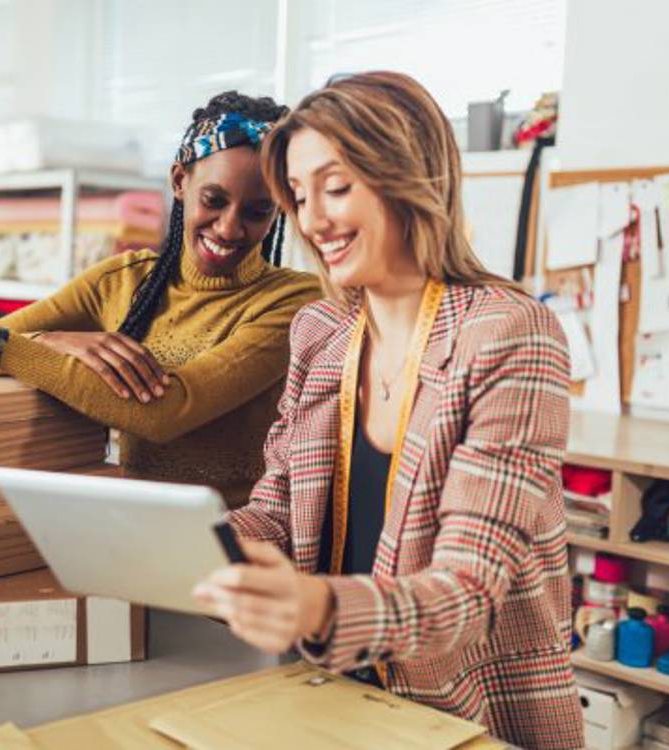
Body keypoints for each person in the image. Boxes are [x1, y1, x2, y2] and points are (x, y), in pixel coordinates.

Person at [193, 72, 584, 748]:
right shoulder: (321, 332)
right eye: (300, 195)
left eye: (337, 187)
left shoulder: (509, 334)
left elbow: (466, 593)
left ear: (409, 176)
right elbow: (279, 512)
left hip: (466, 714)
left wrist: (315, 607)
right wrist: (194, 542)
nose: (314, 221)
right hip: (332, 694)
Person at [0, 92, 320, 508]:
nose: (229, 228)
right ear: (180, 181)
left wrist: (1, 343)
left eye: (257, 211)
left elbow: (167, 412)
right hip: (126, 527)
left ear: (278, 209)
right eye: (214, 200)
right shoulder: (123, 280)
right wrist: (51, 341)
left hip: (233, 543)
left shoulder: (293, 303)